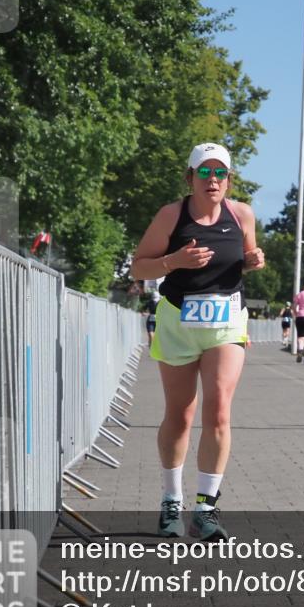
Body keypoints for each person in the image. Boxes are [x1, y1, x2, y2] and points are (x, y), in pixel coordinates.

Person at [130, 142, 264, 540]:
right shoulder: (172, 215)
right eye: (204, 172)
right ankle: (172, 500)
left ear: (229, 179)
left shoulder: (241, 214)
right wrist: (174, 262)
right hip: (178, 321)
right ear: (189, 178)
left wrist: (255, 259)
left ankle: (206, 508)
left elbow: (250, 254)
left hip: (226, 323)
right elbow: (140, 266)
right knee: (180, 413)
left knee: (219, 409)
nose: (213, 180)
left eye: (220, 173)